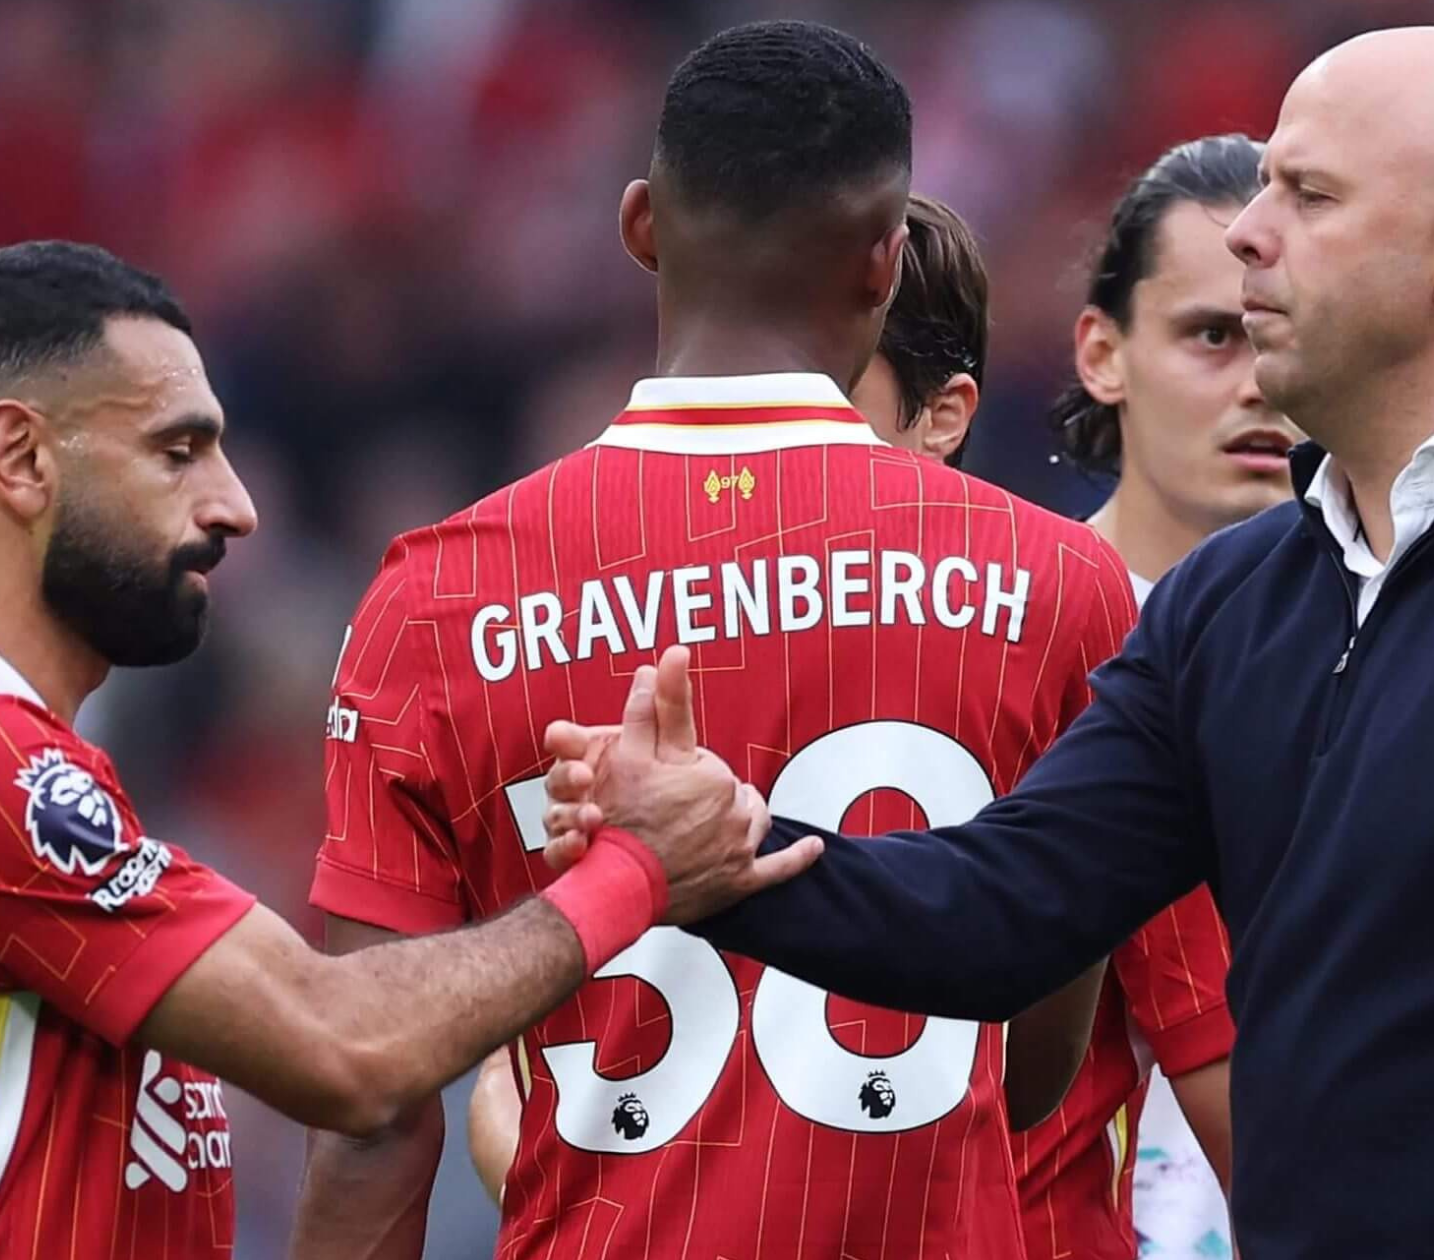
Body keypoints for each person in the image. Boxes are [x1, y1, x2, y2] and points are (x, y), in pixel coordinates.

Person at [539, 26, 1434, 1260]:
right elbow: (999, 912)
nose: (1250, 238)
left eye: (1309, 199)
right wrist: (715, 855)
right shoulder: (1233, 603)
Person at [0, 240, 803, 1260]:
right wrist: (636, 868)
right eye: (177, 450)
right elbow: (341, 1048)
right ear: (21, 458)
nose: (234, 506)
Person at [287, 22, 1141, 1260]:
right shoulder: (1062, 582)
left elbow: (370, 1098)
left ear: (640, 226)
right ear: (886, 264)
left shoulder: (436, 598)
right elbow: (1029, 1047)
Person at [457, 187, 1031, 1208]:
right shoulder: (582, 656)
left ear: (941, 417)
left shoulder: (1057, 629)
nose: (762, 455)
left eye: (819, 407)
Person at [1031, 133, 1306, 1260]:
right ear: (1102, 351)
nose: (1254, 382)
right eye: (1209, 335)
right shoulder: (998, 633)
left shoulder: (1422, 647)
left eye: (1280, 335)